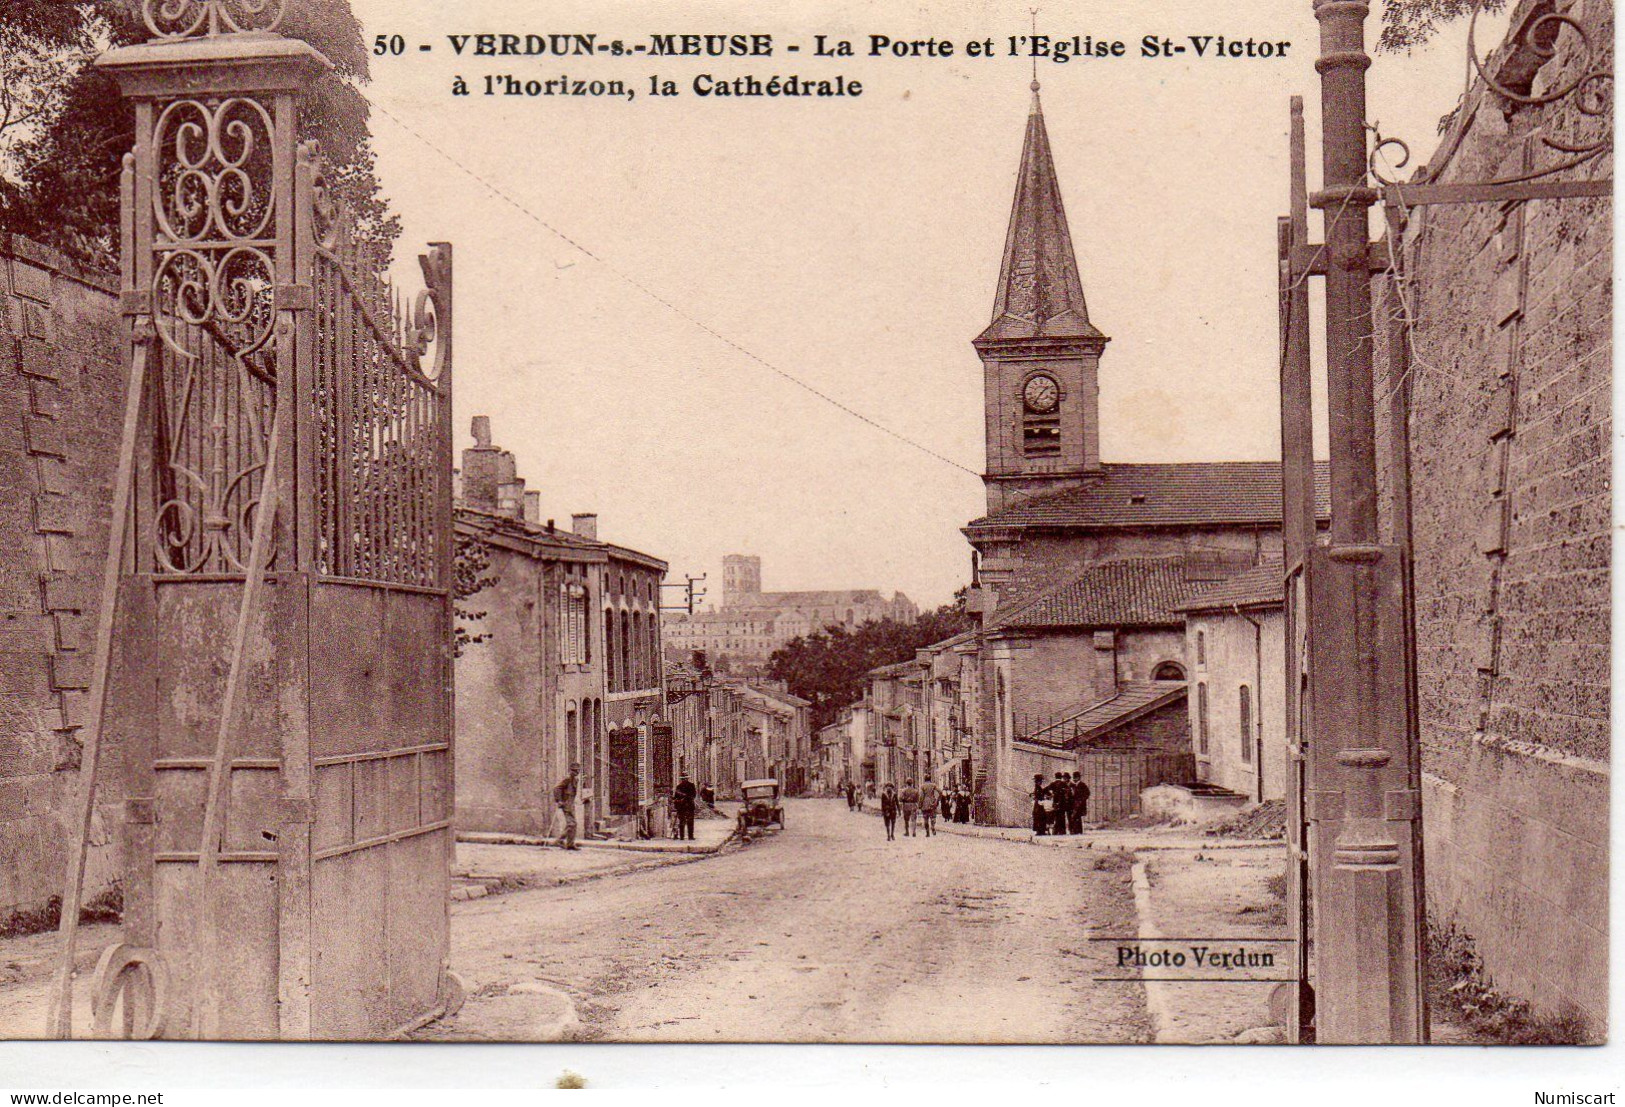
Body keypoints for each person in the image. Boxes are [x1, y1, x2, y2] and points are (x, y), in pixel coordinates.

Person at [553, 764, 581, 850]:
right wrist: (559, 800)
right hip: (566, 803)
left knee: (573, 824)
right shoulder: (567, 778)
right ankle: (561, 840)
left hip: (571, 803)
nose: (576, 772)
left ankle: (570, 844)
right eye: (575, 770)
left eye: (577, 771)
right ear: (571, 770)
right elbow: (557, 788)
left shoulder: (575, 779)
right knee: (572, 823)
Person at [673, 772, 698, 841]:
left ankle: (686, 836)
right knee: (686, 822)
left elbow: (693, 795)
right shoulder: (685, 786)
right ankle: (686, 837)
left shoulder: (683, 786)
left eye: (685, 779)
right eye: (683, 779)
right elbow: (693, 795)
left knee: (686, 821)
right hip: (686, 806)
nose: (684, 780)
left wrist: (683, 798)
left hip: (685, 806)